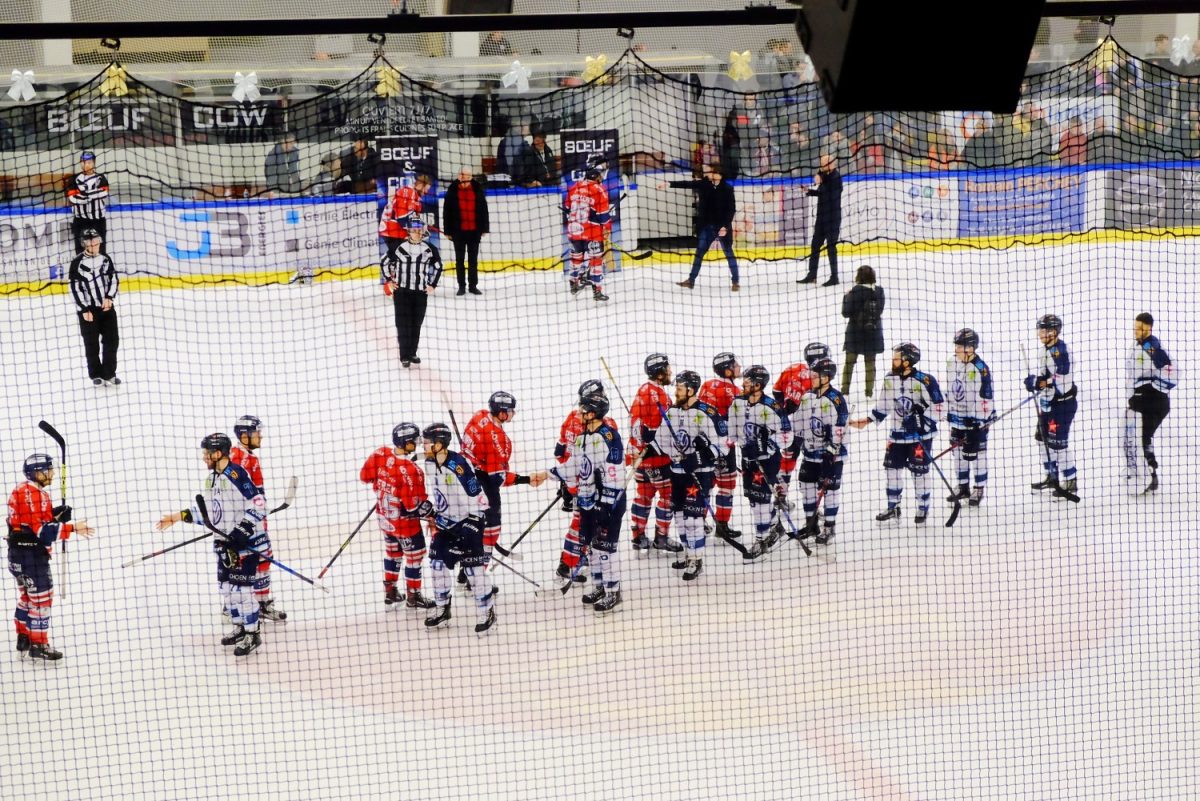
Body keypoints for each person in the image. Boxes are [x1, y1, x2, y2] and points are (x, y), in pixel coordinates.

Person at [155, 434, 269, 656]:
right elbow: (210, 513)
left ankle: (252, 633)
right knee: (227, 590)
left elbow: (259, 503)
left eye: (207, 453)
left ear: (218, 453)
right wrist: (178, 516)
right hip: (224, 545)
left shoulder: (236, 474)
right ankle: (240, 627)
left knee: (243, 592)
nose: (204, 458)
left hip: (243, 545)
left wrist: (242, 531)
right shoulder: (212, 479)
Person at [7, 454, 94, 660]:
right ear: (37, 472)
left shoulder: (25, 490)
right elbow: (42, 532)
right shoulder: (33, 493)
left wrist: (56, 515)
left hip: (17, 556)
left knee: (28, 597)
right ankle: (38, 644)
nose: (53, 472)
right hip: (32, 558)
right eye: (49, 469)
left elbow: (32, 520)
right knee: (42, 601)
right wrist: (72, 527)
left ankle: (23, 636)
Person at [849, 343, 944, 526]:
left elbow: (940, 408)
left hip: (920, 437)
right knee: (892, 470)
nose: (893, 360)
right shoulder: (889, 379)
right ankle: (893, 507)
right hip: (896, 435)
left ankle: (923, 507)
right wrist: (867, 420)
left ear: (908, 361)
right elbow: (883, 406)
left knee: (919, 472)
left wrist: (922, 419)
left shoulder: (925, 381)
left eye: (897, 357)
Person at [548, 392, 626, 613]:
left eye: (583, 410)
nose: (579, 413)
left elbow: (615, 473)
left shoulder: (609, 437)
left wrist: (605, 504)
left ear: (593, 413)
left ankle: (613, 592)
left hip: (609, 503)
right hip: (588, 502)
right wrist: (548, 474)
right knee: (591, 548)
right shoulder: (582, 437)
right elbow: (574, 465)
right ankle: (599, 586)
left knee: (605, 549)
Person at [417, 423, 497, 633]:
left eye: (426, 442)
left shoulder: (459, 465)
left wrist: (473, 523)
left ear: (439, 444)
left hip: (469, 521)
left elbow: (477, 497)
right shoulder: (430, 463)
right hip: (445, 523)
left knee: (472, 569)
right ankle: (443, 608)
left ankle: (486, 610)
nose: (423, 446)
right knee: (436, 564)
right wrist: (432, 514)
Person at [463, 391, 549, 574]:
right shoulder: (500, 441)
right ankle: (475, 577)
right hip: (483, 487)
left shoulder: (479, 415)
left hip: (464, 481)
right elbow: (497, 479)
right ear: (502, 413)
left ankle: (466, 574)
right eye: (510, 411)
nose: (513, 414)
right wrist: (526, 479)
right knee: (490, 531)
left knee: (472, 528)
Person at [359, 422, 434, 608]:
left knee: (393, 553)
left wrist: (386, 483)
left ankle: (390, 592)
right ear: (406, 441)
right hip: (405, 525)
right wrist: (433, 512)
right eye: (414, 441)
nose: (416, 444)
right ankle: (413, 596)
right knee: (414, 557)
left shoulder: (380, 454)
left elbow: (364, 477)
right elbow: (413, 507)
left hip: (385, 519)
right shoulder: (412, 471)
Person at [663, 370, 726, 581]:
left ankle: (696, 559)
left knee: (693, 519)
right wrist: (648, 442)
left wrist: (698, 458)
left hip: (700, 475)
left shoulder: (707, 412)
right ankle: (688, 552)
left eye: (679, 389)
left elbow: (723, 444)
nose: (676, 392)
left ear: (690, 390)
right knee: (680, 518)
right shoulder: (672, 412)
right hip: (677, 473)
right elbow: (662, 440)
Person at [553, 379, 616, 583]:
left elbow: (560, 451)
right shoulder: (606, 425)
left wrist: (567, 481)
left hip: (576, 483)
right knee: (585, 523)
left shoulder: (572, 417)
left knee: (583, 522)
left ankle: (581, 559)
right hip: (593, 487)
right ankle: (568, 565)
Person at [727, 365, 792, 559]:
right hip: (748, 458)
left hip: (768, 460)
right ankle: (775, 526)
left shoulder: (772, 407)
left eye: (746, 382)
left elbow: (787, 437)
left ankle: (762, 539)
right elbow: (731, 431)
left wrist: (765, 446)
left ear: (757, 385)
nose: (742, 384)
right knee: (753, 499)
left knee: (761, 500)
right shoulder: (737, 403)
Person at [230, 415, 287, 622]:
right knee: (247, 563)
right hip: (247, 523)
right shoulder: (239, 459)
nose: (260, 436)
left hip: (255, 520)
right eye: (257, 433)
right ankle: (236, 606)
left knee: (262, 560)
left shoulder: (246, 456)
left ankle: (259, 604)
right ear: (244, 436)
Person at [788, 357, 848, 545]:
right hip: (810, 454)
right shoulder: (807, 397)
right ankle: (810, 524)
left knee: (829, 490)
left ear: (826, 377)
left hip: (831, 457)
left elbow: (840, 430)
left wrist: (832, 450)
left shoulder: (836, 399)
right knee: (806, 488)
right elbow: (797, 424)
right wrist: (793, 443)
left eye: (816, 375)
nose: (812, 378)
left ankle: (829, 528)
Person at [628, 353, 683, 553]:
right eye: (667, 368)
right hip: (657, 457)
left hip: (640, 457)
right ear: (659, 373)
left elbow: (637, 426)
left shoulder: (643, 390)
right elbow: (655, 429)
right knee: (667, 496)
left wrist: (639, 445)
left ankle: (638, 536)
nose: (670, 371)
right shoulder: (658, 394)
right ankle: (661, 537)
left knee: (643, 496)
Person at [1025, 314, 1079, 497]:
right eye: (1039, 329)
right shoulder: (1044, 350)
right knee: (1042, 441)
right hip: (1048, 404)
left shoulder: (1060, 351)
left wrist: (1040, 383)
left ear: (1054, 331)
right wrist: (1035, 382)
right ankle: (1051, 476)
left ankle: (1070, 480)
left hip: (1062, 406)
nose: (1040, 333)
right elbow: (1045, 376)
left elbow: (1062, 379)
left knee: (1058, 445)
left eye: (1044, 329)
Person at [1125, 312, 1177, 494]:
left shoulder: (1151, 346)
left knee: (1140, 438)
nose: (1137, 331)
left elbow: (1173, 371)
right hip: (1140, 400)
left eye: (1141, 328)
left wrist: (1152, 388)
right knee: (1140, 438)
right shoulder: (1137, 345)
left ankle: (1148, 477)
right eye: (1136, 327)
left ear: (1149, 328)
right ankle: (1147, 475)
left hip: (1152, 402)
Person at [772, 342, 828, 504]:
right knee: (816, 464)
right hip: (813, 431)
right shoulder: (820, 377)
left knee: (788, 459)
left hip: (792, 427)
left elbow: (776, 390)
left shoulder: (793, 368)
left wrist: (784, 411)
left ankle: (780, 497)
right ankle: (815, 503)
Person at [382, 220, 442, 368]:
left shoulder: (429, 248)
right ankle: (404, 355)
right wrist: (389, 280)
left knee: (416, 323)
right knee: (403, 324)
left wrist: (432, 285)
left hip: (420, 293)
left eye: (420, 230)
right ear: (408, 231)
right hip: (402, 292)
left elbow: (439, 266)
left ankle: (412, 352)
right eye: (414, 230)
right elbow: (384, 262)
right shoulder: (398, 246)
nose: (417, 233)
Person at [945, 329, 994, 507]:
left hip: (976, 423)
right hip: (957, 419)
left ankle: (979, 488)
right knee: (958, 454)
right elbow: (950, 389)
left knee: (978, 454)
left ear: (972, 347)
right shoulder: (952, 363)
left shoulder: (981, 368)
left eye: (962, 346)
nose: (958, 349)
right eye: (957, 345)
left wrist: (977, 420)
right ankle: (962, 486)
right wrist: (947, 409)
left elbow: (986, 398)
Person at [68, 228, 121, 387]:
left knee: (112, 341)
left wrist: (109, 298)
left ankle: (109, 373)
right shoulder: (77, 263)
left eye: (96, 239)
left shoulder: (105, 259)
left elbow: (113, 279)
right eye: (91, 240)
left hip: (106, 309)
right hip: (88, 312)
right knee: (91, 344)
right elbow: (74, 288)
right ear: (84, 243)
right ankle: (96, 374)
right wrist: (84, 309)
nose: (95, 243)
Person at [675, 163, 739, 291]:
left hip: (722, 227)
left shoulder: (727, 188)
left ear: (718, 174)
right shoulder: (705, 185)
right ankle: (691, 280)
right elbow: (687, 184)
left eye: (711, 172)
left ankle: (735, 281)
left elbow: (731, 210)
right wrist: (668, 184)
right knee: (699, 253)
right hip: (707, 226)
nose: (708, 174)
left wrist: (725, 227)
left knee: (729, 253)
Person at [699, 352, 742, 541]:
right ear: (727, 370)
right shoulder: (735, 392)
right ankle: (722, 527)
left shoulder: (706, 385)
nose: (739, 366)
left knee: (707, 484)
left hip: (702, 445)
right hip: (723, 446)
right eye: (735, 364)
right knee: (727, 485)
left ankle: (699, 522)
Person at [562, 159, 612, 302]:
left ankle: (573, 283)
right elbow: (603, 218)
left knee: (576, 258)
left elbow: (567, 208)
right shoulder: (599, 190)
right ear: (596, 177)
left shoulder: (574, 187)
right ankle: (597, 291)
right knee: (596, 260)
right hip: (592, 233)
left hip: (574, 230)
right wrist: (605, 227)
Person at [441, 169, 490, 296]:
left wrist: (485, 228)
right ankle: (461, 286)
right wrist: (447, 230)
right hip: (458, 232)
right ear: (459, 176)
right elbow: (446, 212)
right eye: (462, 175)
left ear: (471, 177)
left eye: (467, 175)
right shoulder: (452, 190)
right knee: (459, 260)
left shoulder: (477, 189)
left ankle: (473, 285)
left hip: (474, 231)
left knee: (473, 260)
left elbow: (484, 209)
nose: (464, 177)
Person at [797, 153, 843, 286]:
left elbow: (831, 196)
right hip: (821, 217)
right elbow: (821, 192)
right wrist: (809, 191)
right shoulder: (825, 176)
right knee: (815, 246)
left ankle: (834, 277)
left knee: (831, 247)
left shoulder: (835, 177)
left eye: (823, 165)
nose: (821, 167)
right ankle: (812, 275)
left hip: (832, 218)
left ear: (830, 164)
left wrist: (822, 181)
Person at [841, 265, 885, 399]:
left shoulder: (855, 291)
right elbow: (880, 310)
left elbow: (846, 313)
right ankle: (869, 393)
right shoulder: (879, 291)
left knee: (849, 363)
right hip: (874, 333)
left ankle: (845, 391)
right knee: (870, 364)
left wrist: (846, 297)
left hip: (855, 332)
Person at [380, 173, 433, 266]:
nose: (426, 193)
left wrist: (421, 227)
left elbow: (411, 218)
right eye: (426, 189)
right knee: (401, 256)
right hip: (391, 229)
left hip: (396, 230)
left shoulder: (416, 198)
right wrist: (420, 228)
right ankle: (390, 273)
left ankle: (392, 273)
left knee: (401, 256)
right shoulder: (408, 192)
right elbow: (402, 218)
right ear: (420, 185)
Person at [66, 150, 109, 253]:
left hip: (98, 220)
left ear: (94, 163)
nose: (87, 165)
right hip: (81, 220)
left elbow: (104, 193)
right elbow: (73, 198)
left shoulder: (100, 178)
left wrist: (85, 194)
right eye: (84, 162)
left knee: (100, 250)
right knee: (80, 251)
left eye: (89, 162)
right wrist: (92, 195)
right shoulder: (74, 179)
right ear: (81, 163)